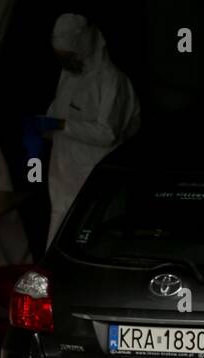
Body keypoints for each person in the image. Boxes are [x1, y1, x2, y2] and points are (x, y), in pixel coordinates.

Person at [40, 13, 140, 247]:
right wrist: (42, 126)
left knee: (93, 241)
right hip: (62, 178)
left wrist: (62, 125)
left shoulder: (111, 81)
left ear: (83, 47)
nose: (64, 62)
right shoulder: (68, 76)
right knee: (57, 241)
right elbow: (56, 113)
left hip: (92, 179)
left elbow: (107, 133)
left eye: (68, 56)